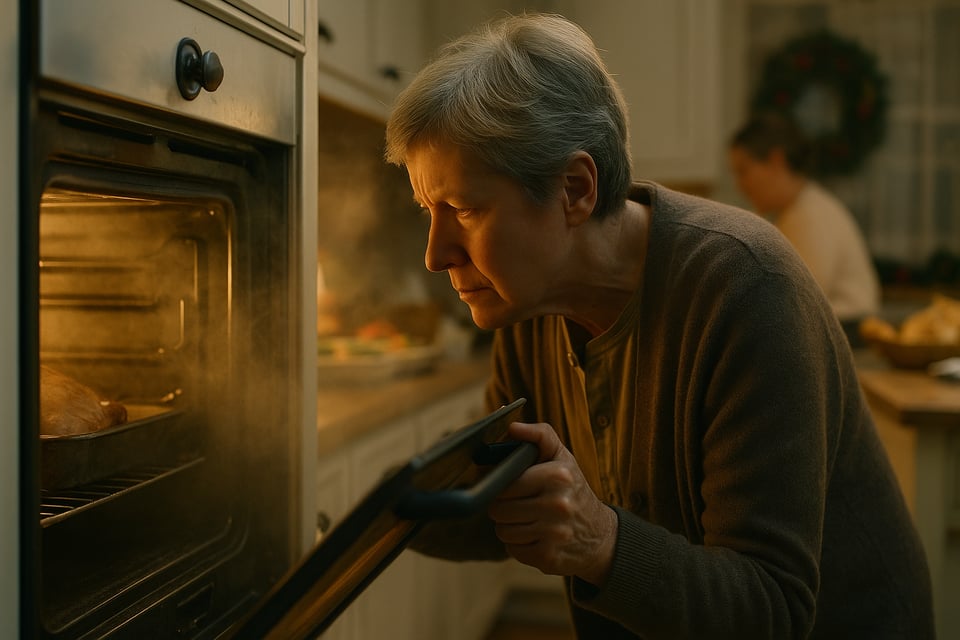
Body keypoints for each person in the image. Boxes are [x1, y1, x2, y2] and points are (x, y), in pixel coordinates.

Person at [385, 13, 933, 640]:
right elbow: (508, 499)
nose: (435, 254)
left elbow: (771, 609)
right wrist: (351, 518)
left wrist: (599, 539)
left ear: (575, 189)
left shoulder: (748, 288)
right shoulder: (527, 304)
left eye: (463, 208)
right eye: (430, 211)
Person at [728, 111, 881, 341]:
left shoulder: (809, 215)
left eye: (743, 171)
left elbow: (799, 301)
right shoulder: (798, 210)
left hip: (848, 335)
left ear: (776, 161)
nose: (740, 185)